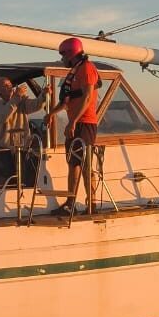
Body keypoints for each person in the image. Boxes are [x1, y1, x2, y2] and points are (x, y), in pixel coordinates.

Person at [45, 37, 100, 215]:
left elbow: (87, 97)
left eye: (63, 54)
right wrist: (51, 114)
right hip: (75, 124)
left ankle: (91, 204)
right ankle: (71, 202)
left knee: (85, 165)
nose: (62, 59)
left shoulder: (87, 68)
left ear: (70, 53)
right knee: (73, 163)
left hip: (85, 123)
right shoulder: (74, 73)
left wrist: (74, 121)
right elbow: (66, 101)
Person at [0, 76, 50, 185]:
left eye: (10, 84)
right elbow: (3, 117)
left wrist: (44, 95)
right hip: (5, 147)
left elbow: (35, 106)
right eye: (5, 85)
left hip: (22, 145)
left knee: (24, 177)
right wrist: (16, 97)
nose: (10, 87)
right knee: (8, 177)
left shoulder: (20, 99)